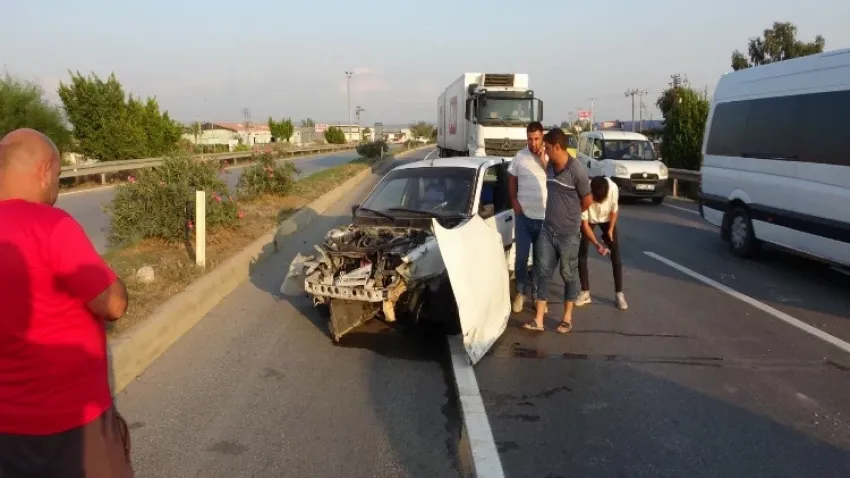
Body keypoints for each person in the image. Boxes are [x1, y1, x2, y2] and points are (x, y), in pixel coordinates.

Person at [0, 128, 134, 477]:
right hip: (72, 425)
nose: (57, 185)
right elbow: (113, 304)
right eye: (58, 176)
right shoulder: (51, 225)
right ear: (44, 171)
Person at [523, 128, 592, 334]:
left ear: (558, 147)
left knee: (568, 274)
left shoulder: (576, 170)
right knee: (542, 272)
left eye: (547, 147)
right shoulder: (550, 166)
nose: (545, 150)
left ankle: (567, 318)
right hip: (547, 229)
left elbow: (587, 200)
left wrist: (571, 214)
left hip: (569, 234)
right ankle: (538, 320)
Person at [507, 121, 548, 313]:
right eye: (530, 139)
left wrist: (543, 161)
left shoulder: (549, 156)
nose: (533, 143)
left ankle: (539, 298)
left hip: (544, 218)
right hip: (523, 216)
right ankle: (521, 293)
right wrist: (514, 201)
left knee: (541, 261)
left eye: (537, 139)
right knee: (521, 258)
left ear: (542, 137)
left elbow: (556, 177)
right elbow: (511, 179)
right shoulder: (519, 157)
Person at [576, 176, 628, 310]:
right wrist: (597, 244)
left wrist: (610, 230)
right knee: (582, 253)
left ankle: (619, 294)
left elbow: (614, 211)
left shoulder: (613, 188)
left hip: (606, 220)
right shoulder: (583, 192)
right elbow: (585, 224)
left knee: (615, 253)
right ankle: (585, 292)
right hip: (590, 220)